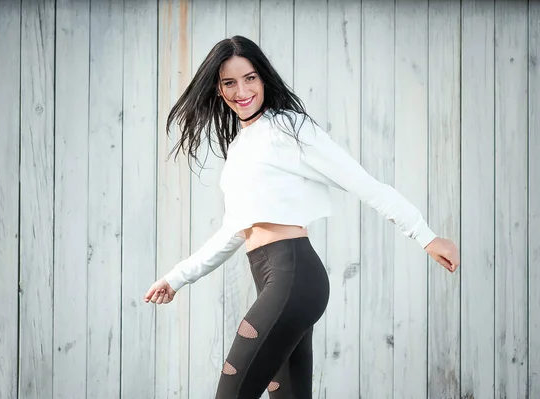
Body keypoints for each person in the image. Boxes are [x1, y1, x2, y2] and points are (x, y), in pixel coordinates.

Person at [144, 35, 460, 399]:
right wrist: (176, 277)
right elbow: (234, 231)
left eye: (249, 78)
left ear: (262, 78)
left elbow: (363, 183)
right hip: (272, 278)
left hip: (292, 276)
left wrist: (424, 235)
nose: (241, 90)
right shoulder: (239, 147)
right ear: (217, 89)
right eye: (229, 82)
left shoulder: (289, 127)